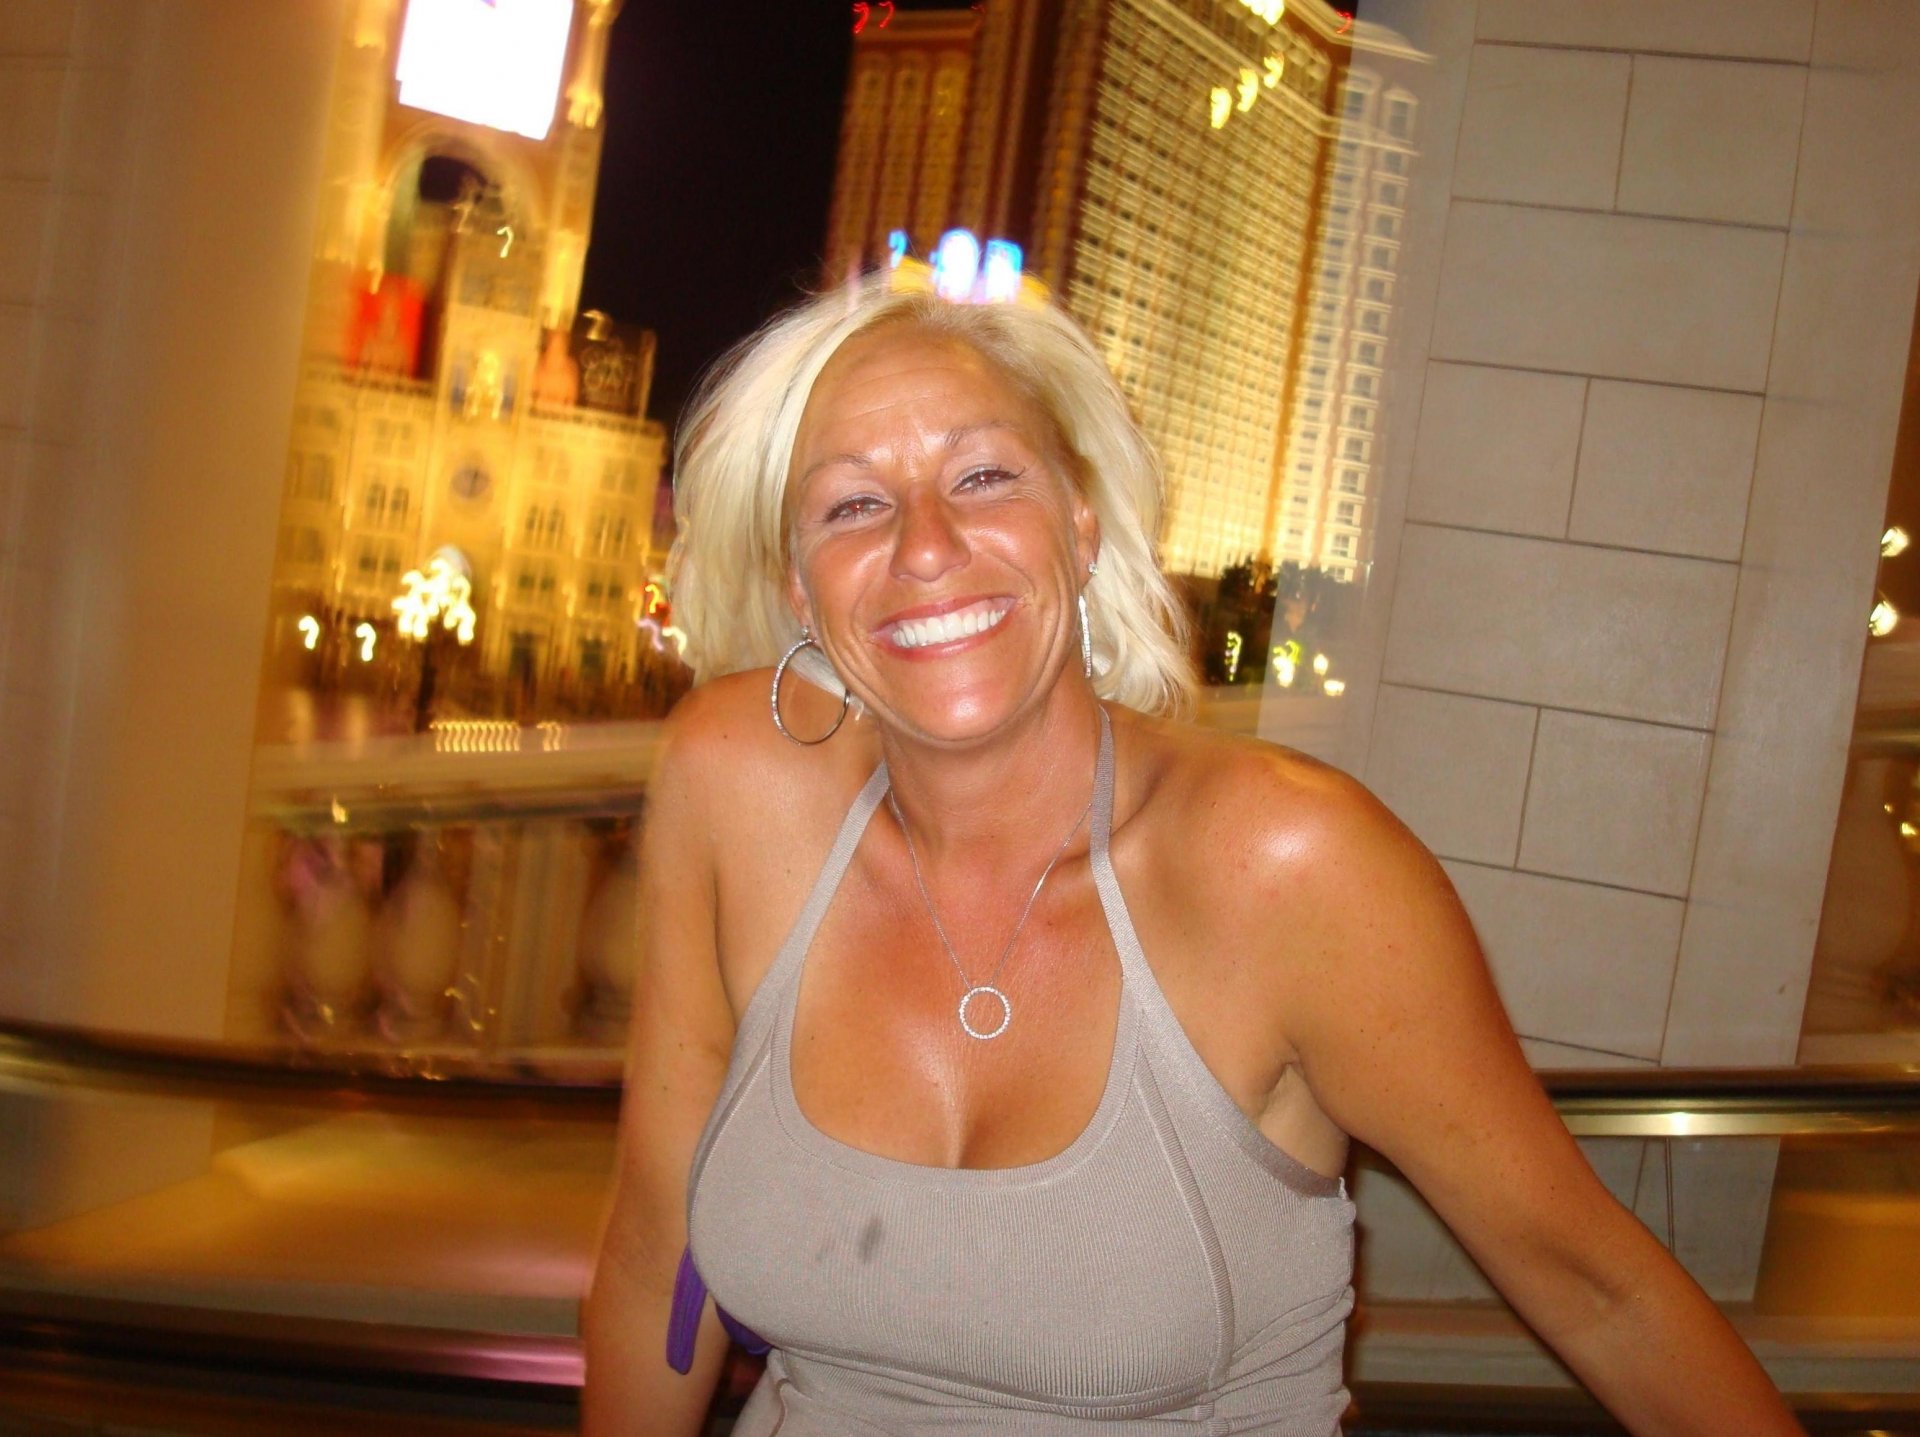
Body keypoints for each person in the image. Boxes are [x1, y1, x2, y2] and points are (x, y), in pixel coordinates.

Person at [581, 273, 1802, 1436]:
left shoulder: (1288, 867)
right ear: (801, 588)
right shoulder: (734, 787)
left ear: (1081, 526)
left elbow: (1598, 1290)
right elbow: (651, 1256)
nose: (927, 545)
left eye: (984, 476)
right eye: (854, 505)